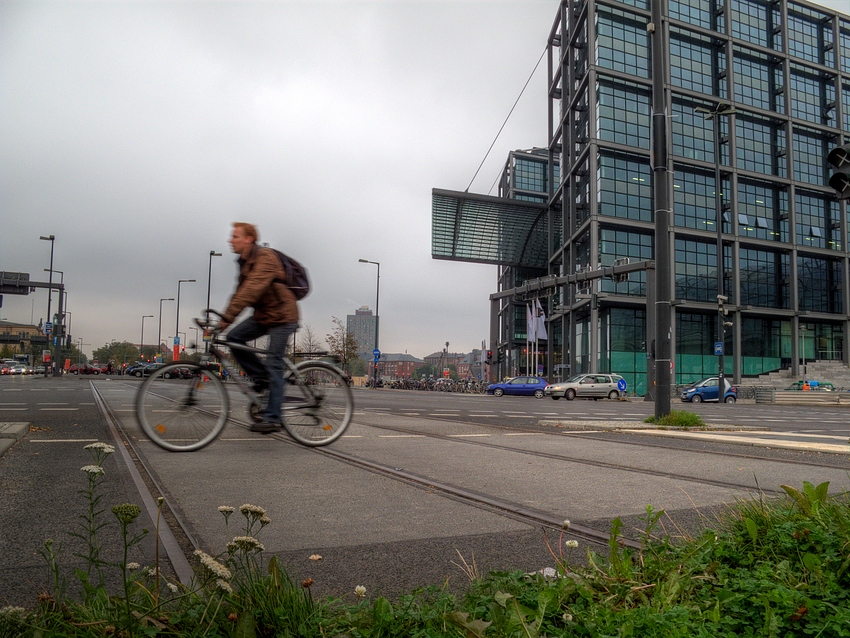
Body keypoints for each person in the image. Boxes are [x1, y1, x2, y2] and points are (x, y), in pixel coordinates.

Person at [219, 222, 299, 433]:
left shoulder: (265, 257)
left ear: (248, 239)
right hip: (264, 316)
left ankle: (273, 417)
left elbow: (251, 290)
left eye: (235, 236)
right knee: (234, 338)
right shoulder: (244, 262)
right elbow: (240, 293)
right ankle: (262, 378)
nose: (230, 240)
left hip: (283, 316)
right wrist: (223, 321)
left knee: (274, 362)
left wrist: (226, 318)